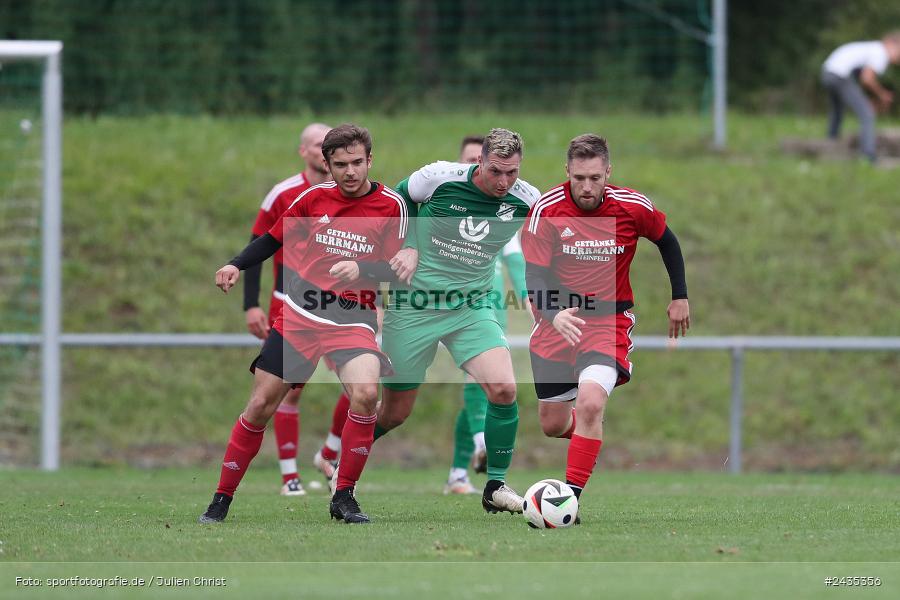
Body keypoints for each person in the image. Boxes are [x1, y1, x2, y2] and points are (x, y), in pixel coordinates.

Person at [200, 124, 407, 524]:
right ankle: (221, 499)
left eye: (357, 163)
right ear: (327, 165)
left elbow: (401, 270)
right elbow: (271, 239)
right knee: (260, 405)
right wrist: (235, 264)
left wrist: (363, 267)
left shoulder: (391, 206)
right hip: (301, 316)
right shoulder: (311, 199)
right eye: (341, 164)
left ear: (370, 161)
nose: (350, 172)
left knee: (365, 395)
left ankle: (343, 496)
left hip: (353, 319)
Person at [521, 134, 690, 523]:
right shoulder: (546, 209)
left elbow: (667, 240)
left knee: (591, 402)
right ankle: (588, 433)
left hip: (608, 322)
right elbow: (534, 273)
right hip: (557, 324)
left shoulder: (632, 207)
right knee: (552, 424)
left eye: (595, 177)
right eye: (579, 177)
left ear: (608, 173)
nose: (586, 186)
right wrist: (553, 313)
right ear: (567, 172)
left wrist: (679, 295)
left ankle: (569, 502)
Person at [375, 128, 540, 514]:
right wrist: (411, 246)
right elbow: (397, 200)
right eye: (496, 171)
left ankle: (495, 487)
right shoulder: (439, 178)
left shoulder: (526, 199)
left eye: (512, 173)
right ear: (479, 162)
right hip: (415, 303)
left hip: (472, 305)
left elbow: (547, 244)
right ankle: (344, 466)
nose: (504, 182)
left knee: (503, 389)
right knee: (394, 412)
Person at [243, 122, 351, 496]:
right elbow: (260, 245)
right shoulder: (284, 193)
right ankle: (289, 476)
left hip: (340, 307)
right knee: (287, 391)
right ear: (304, 152)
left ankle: (329, 452)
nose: (326, 152)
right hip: (287, 304)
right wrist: (250, 306)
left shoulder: (350, 194)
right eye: (319, 146)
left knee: (361, 384)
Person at [444, 135, 528, 495]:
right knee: (397, 403)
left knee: (484, 383)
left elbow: (515, 256)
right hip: (436, 301)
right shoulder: (445, 197)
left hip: (487, 303)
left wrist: (529, 296)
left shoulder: (505, 207)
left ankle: (463, 471)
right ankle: (337, 452)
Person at [821, 32, 900, 163]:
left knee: (837, 111)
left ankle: (830, 144)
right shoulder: (880, 52)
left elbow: (859, 79)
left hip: (828, 72)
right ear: (891, 44)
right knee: (867, 113)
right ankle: (869, 155)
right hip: (839, 74)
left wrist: (867, 98)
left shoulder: (871, 48)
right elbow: (867, 78)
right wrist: (882, 94)